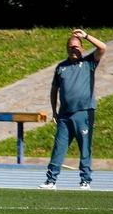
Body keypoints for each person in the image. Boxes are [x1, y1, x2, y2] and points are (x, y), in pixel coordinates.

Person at [40, 28, 108, 191]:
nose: (74, 50)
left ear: (82, 48)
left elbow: (103, 48)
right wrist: (54, 111)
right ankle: (51, 180)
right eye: (71, 47)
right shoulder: (61, 67)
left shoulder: (88, 63)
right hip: (64, 115)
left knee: (85, 147)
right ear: (67, 49)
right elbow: (54, 90)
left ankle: (85, 180)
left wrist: (86, 36)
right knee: (59, 148)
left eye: (77, 47)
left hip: (84, 112)